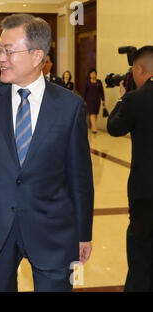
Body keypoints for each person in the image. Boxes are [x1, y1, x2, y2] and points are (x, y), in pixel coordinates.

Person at [0, 13, 94, 292]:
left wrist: (83, 233)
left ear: (36, 56)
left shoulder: (70, 106)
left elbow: (80, 176)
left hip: (53, 231)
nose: (0, 57)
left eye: (8, 50)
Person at [107, 45, 153, 292]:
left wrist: (124, 95)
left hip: (145, 192)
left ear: (138, 69)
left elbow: (114, 127)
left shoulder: (135, 99)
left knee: (140, 250)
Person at [84, 68, 105, 133]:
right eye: (92, 73)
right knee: (92, 114)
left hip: (97, 100)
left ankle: (93, 127)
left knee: (95, 114)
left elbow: (101, 91)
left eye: (94, 73)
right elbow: (85, 92)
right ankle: (95, 128)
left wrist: (103, 99)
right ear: (89, 75)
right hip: (89, 100)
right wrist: (84, 100)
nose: (93, 75)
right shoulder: (87, 82)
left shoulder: (99, 82)